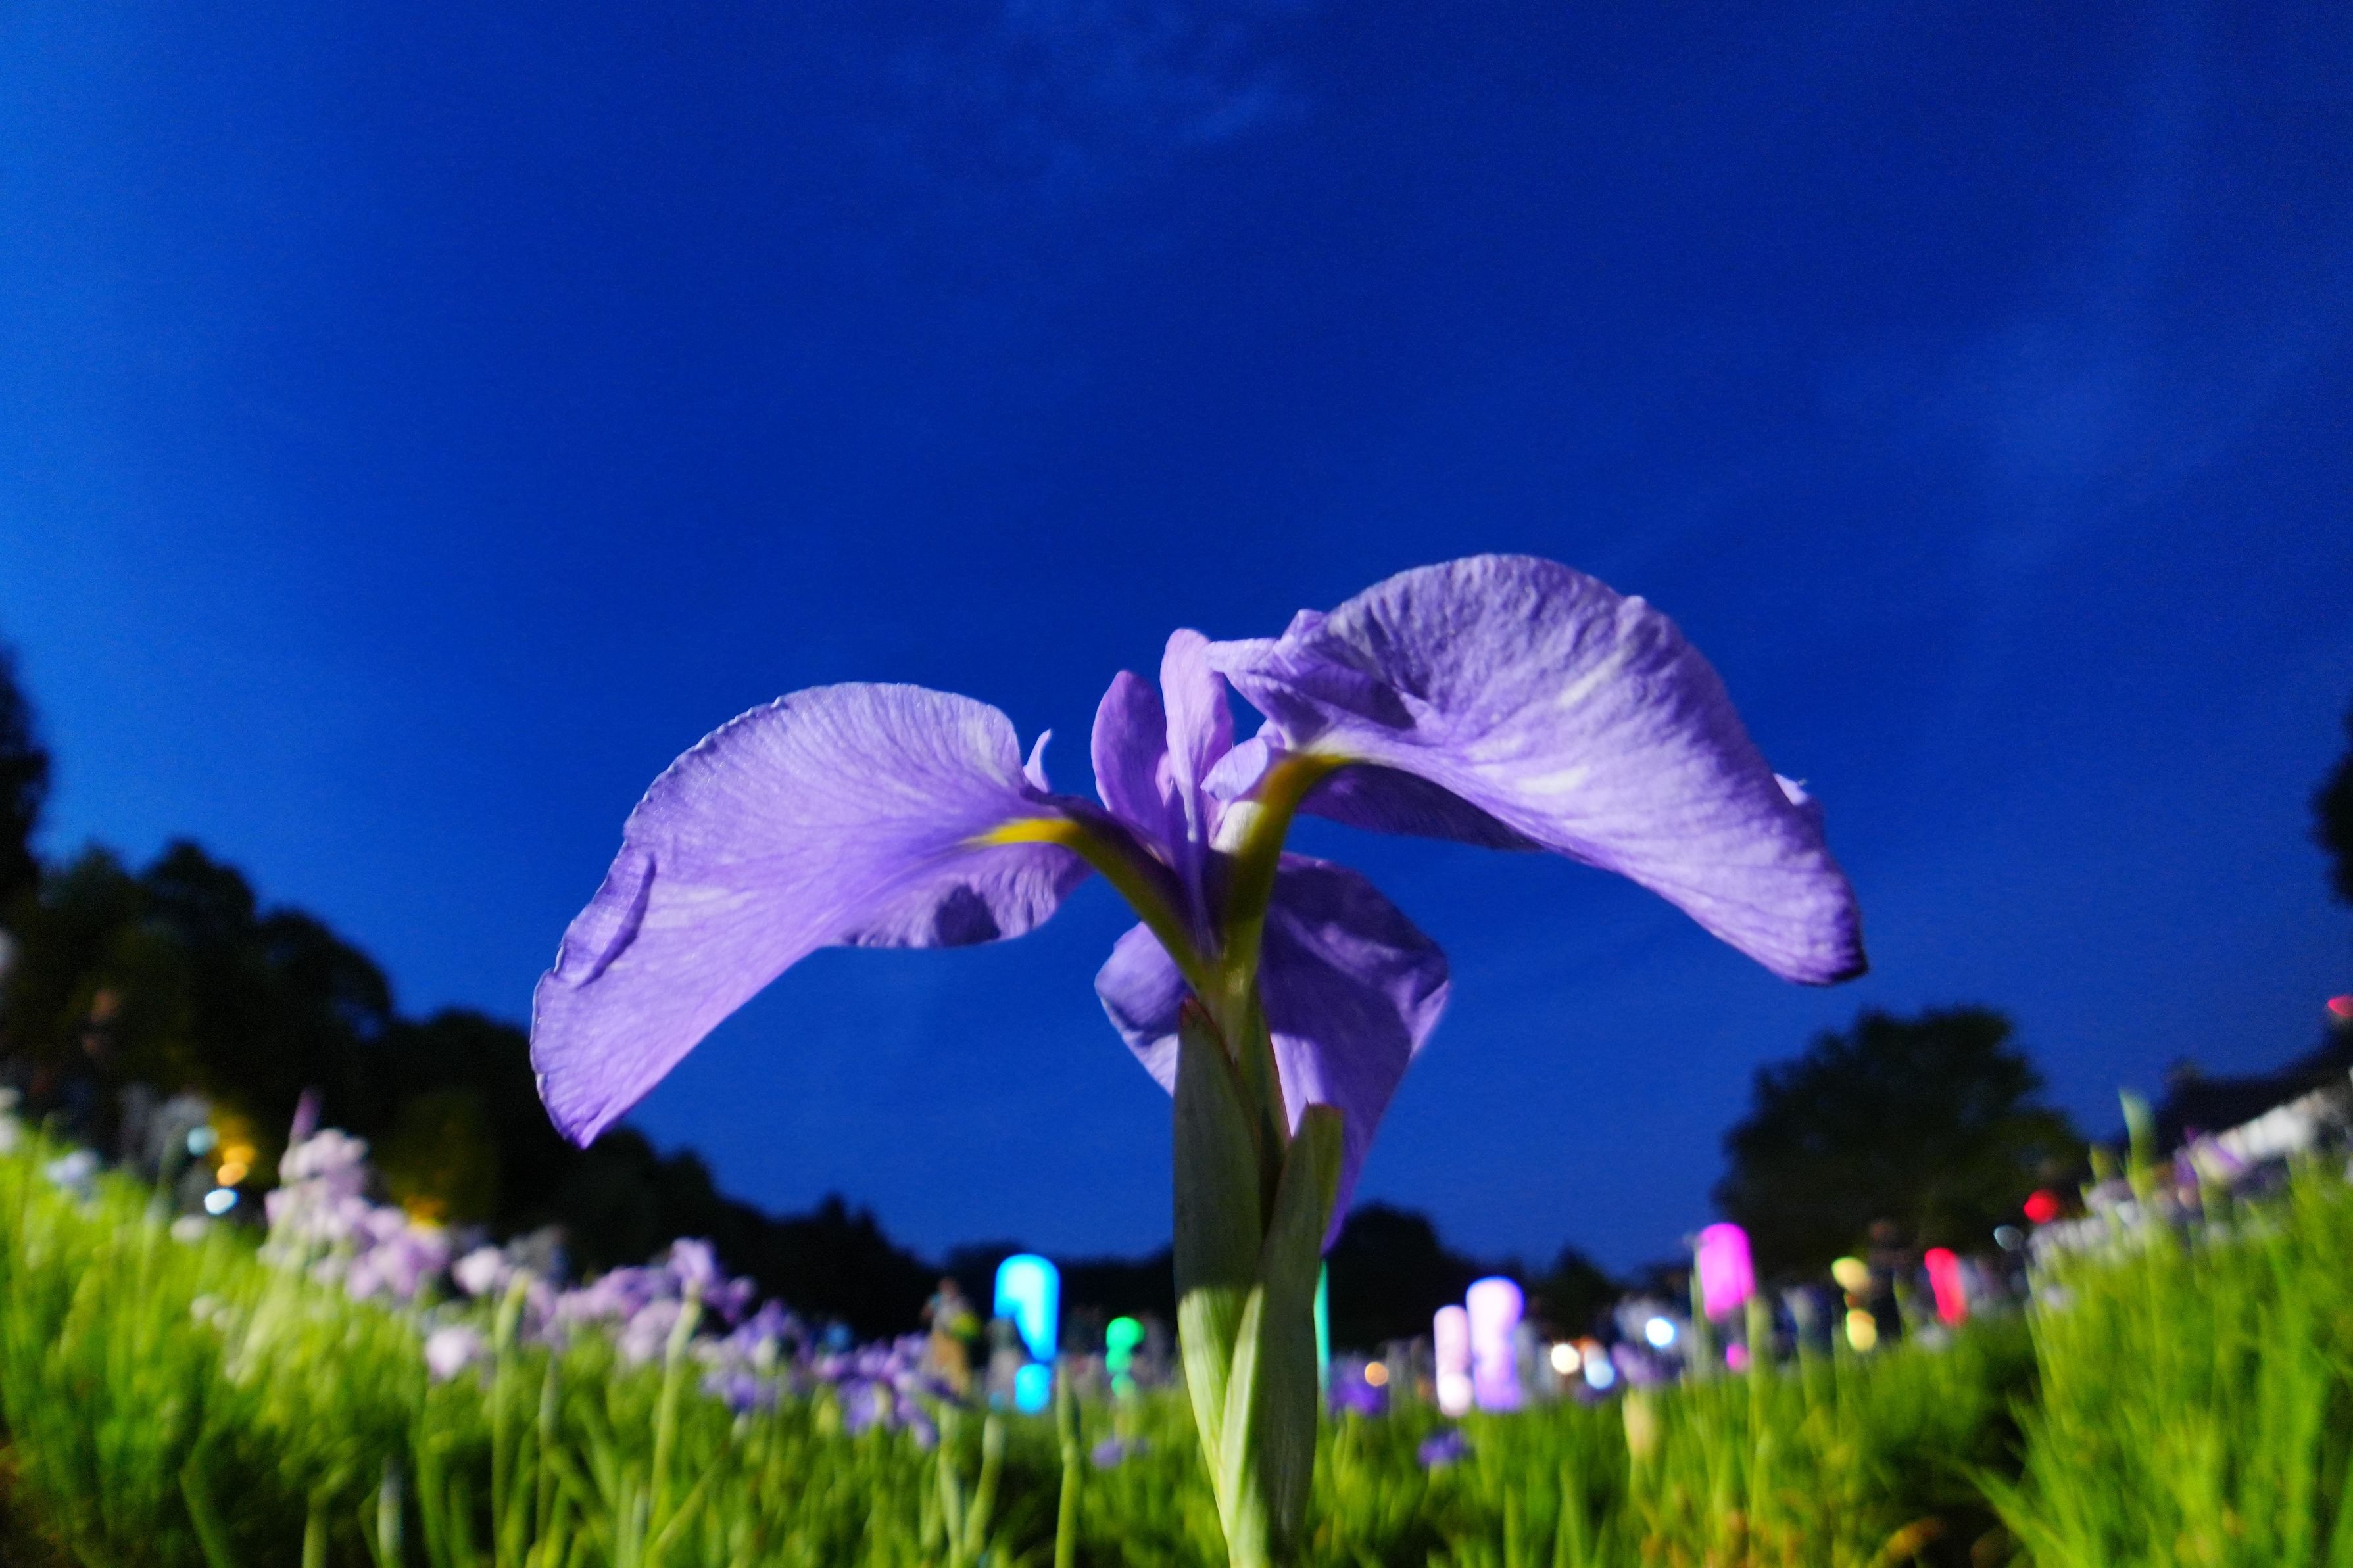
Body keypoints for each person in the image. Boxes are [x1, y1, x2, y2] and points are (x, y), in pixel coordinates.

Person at [922, 1275, 977, 1396]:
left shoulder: (962, 1302)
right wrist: (932, 1307)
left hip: (956, 1340)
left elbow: (970, 1322)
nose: (948, 1290)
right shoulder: (937, 1300)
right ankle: (937, 1391)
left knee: (958, 1367)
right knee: (937, 1365)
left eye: (950, 1287)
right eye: (944, 1287)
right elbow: (925, 1315)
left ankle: (959, 1393)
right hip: (939, 1338)